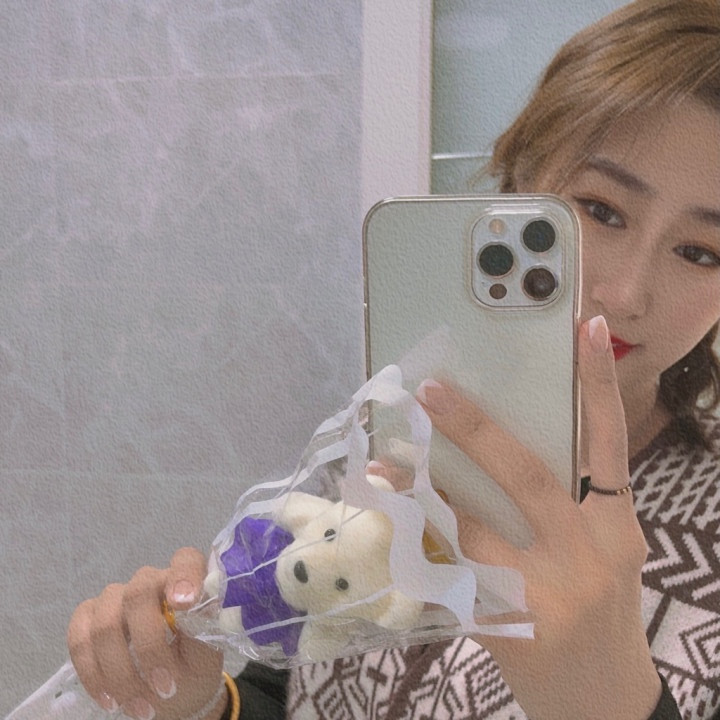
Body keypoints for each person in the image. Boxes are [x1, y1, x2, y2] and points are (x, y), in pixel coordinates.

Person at [66, 0, 720, 718]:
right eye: (601, 210)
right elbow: (295, 687)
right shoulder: (396, 434)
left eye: (700, 252)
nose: (625, 294)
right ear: (522, 178)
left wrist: (615, 705)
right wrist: (202, 702)